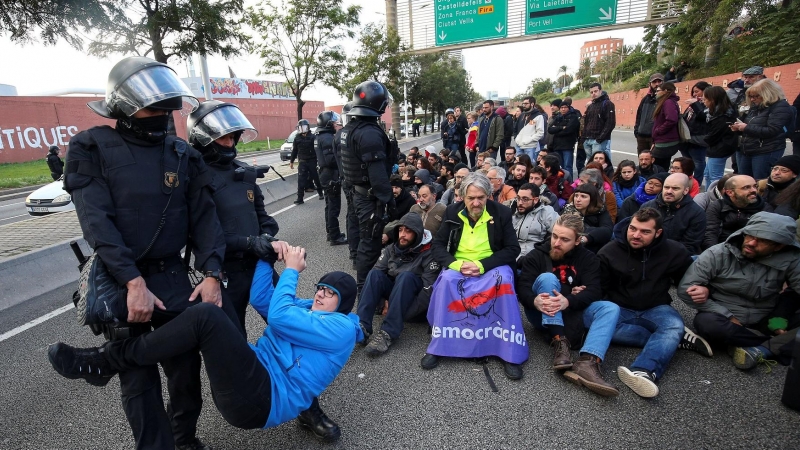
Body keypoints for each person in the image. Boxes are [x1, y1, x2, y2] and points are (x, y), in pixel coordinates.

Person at [64, 56, 225, 450]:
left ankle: (183, 439)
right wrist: (132, 281)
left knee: (186, 372)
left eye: (169, 107)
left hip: (173, 277)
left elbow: (205, 219)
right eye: (155, 108)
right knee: (138, 380)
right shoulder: (91, 146)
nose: (165, 115)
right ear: (123, 106)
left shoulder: (183, 153)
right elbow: (96, 222)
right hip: (123, 278)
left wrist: (211, 275)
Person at [49, 246, 362, 443]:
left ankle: (107, 360)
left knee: (204, 318)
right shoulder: (307, 309)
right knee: (212, 298)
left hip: (261, 399)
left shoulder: (341, 330)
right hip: (250, 378)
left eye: (329, 293)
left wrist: (292, 270)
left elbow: (278, 317)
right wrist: (265, 256)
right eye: (320, 287)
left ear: (343, 304)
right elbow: (263, 299)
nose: (320, 294)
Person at [186, 100, 282, 334]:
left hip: (259, 263)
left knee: (287, 324)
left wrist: (266, 237)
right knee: (233, 339)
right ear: (204, 139)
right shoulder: (196, 180)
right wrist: (249, 242)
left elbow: (264, 218)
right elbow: (204, 235)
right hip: (225, 271)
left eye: (233, 137)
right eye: (222, 138)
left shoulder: (242, 172)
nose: (229, 143)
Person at [593, 208, 707, 398]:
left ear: (658, 233)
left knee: (673, 326)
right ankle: (674, 341)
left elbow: (686, 282)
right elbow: (600, 288)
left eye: (645, 232)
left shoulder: (675, 251)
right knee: (599, 328)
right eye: (633, 229)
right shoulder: (609, 251)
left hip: (656, 307)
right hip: (619, 308)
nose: (636, 235)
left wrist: (702, 287)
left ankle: (643, 371)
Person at [422, 172, 526, 379]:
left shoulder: (501, 213)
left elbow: (512, 249)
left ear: (489, 195)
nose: (476, 202)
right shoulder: (452, 211)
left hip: (491, 264)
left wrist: (481, 265)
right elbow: (438, 245)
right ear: (462, 197)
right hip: (459, 264)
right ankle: (439, 344)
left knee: (504, 281)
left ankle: (509, 352)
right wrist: (456, 264)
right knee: (446, 282)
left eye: (481, 197)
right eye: (471, 198)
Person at [680, 212, 800, 371]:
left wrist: (780, 316)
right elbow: (685, 288)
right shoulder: (718, 253)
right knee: (707, 324)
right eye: (749, 235)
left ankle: (760, 349)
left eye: (762, 241)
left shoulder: (792, 259)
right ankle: (777, 344)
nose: (751, 242)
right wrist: (727, 316)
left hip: (766, 314)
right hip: (724, 314)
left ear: (779, 246)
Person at [516, 215, 613, 389]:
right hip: (542, 312)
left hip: (571, 310)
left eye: (564, 239)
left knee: (609, 308)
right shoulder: (537, 255)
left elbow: (594, 290)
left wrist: (568, 300)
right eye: (554, 236)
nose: (557, 243)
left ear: (577, 241)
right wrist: (534, 300)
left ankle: (588, 361)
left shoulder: (588, 258)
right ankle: (559, 341)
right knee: (547, 278)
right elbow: (522, 287)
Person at [358, 212, 441, 357]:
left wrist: (398, 311)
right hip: (394, 299)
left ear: (418, 233)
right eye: (401, 230)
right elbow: (376, 275)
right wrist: (383, 303)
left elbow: (428, 292)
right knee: (374, 275)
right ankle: (361, 327)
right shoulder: (392, 249)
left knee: (406, 277)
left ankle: (388, 333)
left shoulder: (430, 253)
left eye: (408, 231)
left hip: (415, 307)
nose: (403, 235)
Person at [339, 81, 395, 292]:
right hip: (369, 198)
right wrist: (389, 201)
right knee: (370, 245)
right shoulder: (369, 133)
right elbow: (378, 175)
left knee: (365, 241)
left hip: (357, 192)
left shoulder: (350, 128)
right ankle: (365, 292)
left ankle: (369, 287)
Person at [731, 78, 794, 180]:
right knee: (745, 181)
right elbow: (750, 125)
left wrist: (746, 127)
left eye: (756, 96)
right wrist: (738, 128)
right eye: (750, 96)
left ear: (768, 93)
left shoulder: (780, 107)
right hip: (748, 149)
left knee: (761, 183)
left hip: (766, 150)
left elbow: (772, 130)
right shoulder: (756, 107)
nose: (752, 99)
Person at [641, 173, 706, 254]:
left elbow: (689, 246)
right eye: (666, 187)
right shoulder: (647, 206)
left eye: (675, 188)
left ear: (685, 190)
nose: (669, 191)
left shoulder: (697, 214)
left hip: (675, 259)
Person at [313, 110, 347, 246]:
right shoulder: (327, 138)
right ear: (327, 124)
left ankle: (330, 232)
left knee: (329, 205)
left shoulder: (319, 137)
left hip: (324, 174)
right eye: (333, 122)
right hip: (330, 174)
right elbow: (330, 160)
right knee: (334, 206)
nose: (335, 124)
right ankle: (334, 236)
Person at [704, 175, 766, 249]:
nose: (754, 190)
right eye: (746, 187)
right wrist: (714, 255)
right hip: (720, 250)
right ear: (730, 192)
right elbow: (710, 233)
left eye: (755, 186)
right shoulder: (717, 206)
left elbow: (764, 238)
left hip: (750, 251)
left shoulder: (764, 209)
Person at [334, 102, 360, 265]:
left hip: (346, 180)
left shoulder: (339, 135)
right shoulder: (354, 134)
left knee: (352, 215)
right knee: (357, 217)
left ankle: (354, 251)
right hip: (356, 182)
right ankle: (357, 254)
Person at [702, 86, 738, 188]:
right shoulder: (714, 113)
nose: (703, 102)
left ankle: (713, 199)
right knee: (708, 175)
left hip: (720, 149)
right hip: (716, 148)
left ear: (713, 100)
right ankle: (708, 196)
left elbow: (714, 135)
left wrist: (702, 139)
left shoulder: (723, 115)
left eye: (705, 99)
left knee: (715, 177)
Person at [561, 184, 613, 254]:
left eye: (583, 196)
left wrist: (587, 237)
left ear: (592, 199)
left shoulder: (601, 211)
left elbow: (607, 230)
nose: (578, 200)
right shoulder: (568, 211)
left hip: (594, 250)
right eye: (576, 196)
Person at [511, 183, 558, 259]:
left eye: (525, 199)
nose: (520, 203)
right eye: (518, 198)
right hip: (510, 254)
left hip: (533, 257)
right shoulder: (510, 210)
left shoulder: (546, 212)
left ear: (535, 200)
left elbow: (560, 231)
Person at [680, 81, 711, 185]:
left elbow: (703, 116)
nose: (694, 94)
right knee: (687, 163)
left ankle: (696, 183)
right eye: (693, 92)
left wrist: (695, 104)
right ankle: (687, 182)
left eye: (697, 91)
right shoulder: (692, 106)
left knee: (698, 163)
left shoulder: (708, 104)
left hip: (698, 139)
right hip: (686, 138)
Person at [290, 119, 323, 205]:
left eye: (303, 127)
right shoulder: (297, 138)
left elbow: (317, 150)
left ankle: (320, 193)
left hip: (312, 161)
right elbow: (294, 150)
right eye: (300, 127)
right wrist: (291, 161)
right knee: (301, 180)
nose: (302, 129)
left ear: (307, 127)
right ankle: (300, 198)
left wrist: (319, 160)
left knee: (316, 177)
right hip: (302, 162)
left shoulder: (313, 137)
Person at [651, 82, 682, 170]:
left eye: (658, 91)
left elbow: (671, 120)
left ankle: (661, 182)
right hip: (663, 140)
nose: (656, 93)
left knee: (657, 166)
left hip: (666, 141)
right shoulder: (667, 101)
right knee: (662, 164)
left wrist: (658, 131)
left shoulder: (668, 102)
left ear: (665, 91)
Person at [582, 83, 615, 164]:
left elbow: (610, 123)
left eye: (595, 91)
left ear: (600, 91)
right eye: (591, 92)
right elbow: (586, 123)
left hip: (599, 140)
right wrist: (583, 138)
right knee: (590, 163)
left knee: (599, 163)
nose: (593, 94)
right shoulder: (590, 106)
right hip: (588, 139)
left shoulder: (607, 104)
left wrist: (600, 139)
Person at [548, 99, 580, 175]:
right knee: (559, 167)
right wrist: (561, 128)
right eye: (561, 107)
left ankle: (569, 184)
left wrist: (557, 130)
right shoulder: (557, 117)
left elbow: (569, 130)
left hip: (567, 146)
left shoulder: (573, 117)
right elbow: (550, 129)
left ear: (568, 107)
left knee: (567, 166)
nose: (563, 109)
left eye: (565, 107)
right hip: (557, 146)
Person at [634, 73, 663, 153]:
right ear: (650, 84)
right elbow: (639, 115)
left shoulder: (665, 99)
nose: (657, 84)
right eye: (654, 82)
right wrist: (637, 131)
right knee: (643, 162)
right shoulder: (645, 99)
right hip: (641, 136)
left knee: (656, 161)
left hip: (655, 138)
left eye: (659, 81)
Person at [514, 98, 546, 162]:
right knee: (519, 165)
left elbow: (540, 133)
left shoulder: (538, 116)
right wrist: (516, 139)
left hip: (530, 146)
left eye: (526, 103)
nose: (524, 105)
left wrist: (529, 140)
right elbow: (515, 128)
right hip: (519, 146)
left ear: (532, 104)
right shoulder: (522, 115)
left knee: (529, 166)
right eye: (523, 103)